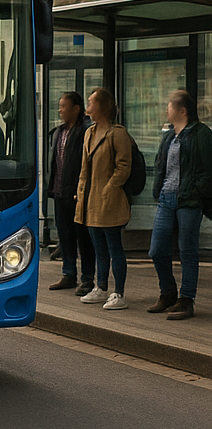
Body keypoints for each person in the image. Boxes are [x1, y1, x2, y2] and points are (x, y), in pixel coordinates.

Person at [146, 89, 212, 320]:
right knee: (156, 250)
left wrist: (196, 189)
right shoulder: (169, 136)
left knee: (188, 251)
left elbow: (208, 169)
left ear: (182, 110)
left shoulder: (202, 134)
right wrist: (158, 190)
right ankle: (168, 293)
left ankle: (186, 300)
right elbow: (161, 166)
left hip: (189, 200)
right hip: (167, 198)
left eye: (170, 106)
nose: (167, 109)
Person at [76, 87, 132, 310]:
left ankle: (119, 292)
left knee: (113, 246)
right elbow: (84, 168)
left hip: (109, 200)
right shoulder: (89, 132)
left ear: (102, 106)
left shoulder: (117, 133)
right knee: (98, 247)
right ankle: (100, 287)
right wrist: (80, 193)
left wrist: (110, 187)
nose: (88, 105)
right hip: (91, 199)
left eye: (91, 101)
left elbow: (124, 165)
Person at [45, 91, 95, 295]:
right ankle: (68, 274)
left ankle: (88, 278)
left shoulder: (86, 131)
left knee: (83, 237)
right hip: (60, 192)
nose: (60, 110)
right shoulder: (58, 132)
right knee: (64, 234)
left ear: (76, 109)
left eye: (64, 106)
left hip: (78, 193)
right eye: (60, 106)